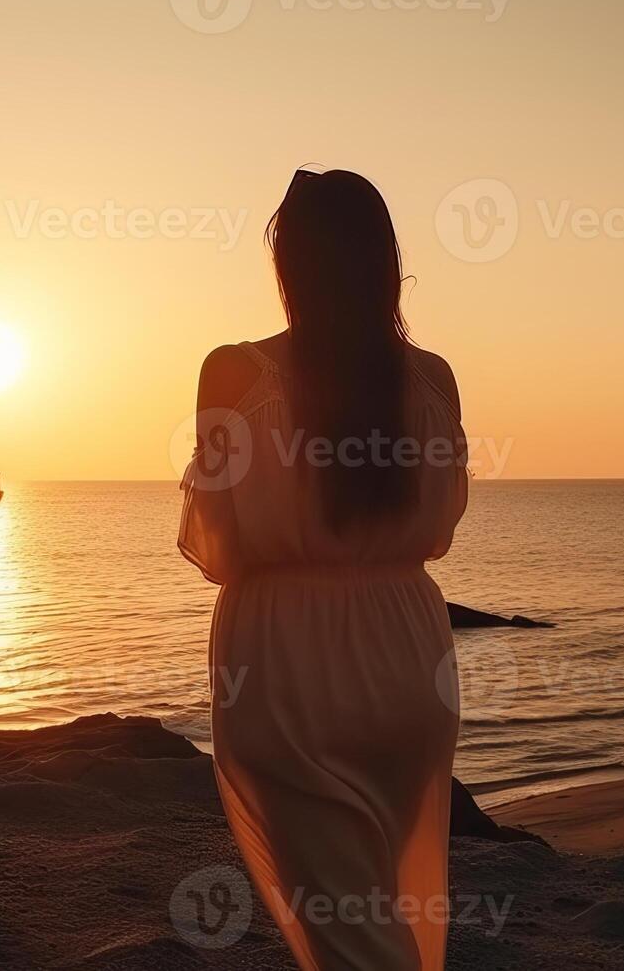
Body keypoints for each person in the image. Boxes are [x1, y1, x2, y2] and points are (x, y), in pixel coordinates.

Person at [178, 167, 470, 969]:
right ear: (384, 261)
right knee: (389, 907)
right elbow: (439, 527)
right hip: (408, 653)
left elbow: (219, 546)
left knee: (348, 934)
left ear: (289, 266)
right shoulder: (432, 378)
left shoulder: (234, 372)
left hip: (286, 660)